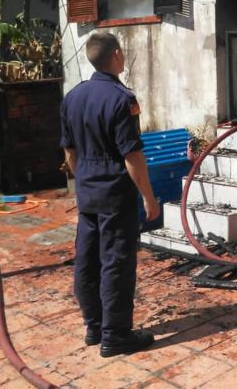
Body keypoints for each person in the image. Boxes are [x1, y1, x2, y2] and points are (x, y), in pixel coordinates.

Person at [60, 31, 160, 357]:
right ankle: (116, 335)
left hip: (87, 192)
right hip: (115, 194)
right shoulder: (122, 99)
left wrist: (86, 181)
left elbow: (70, 154)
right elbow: (132, 156)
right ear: (116, 55)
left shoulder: (72, 98)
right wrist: (148, 197)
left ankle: (94, 325)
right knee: (116, 263)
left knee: (86, 261)